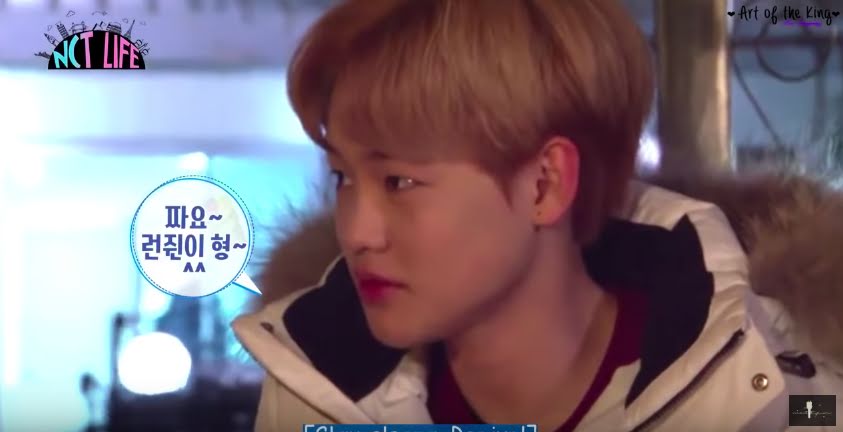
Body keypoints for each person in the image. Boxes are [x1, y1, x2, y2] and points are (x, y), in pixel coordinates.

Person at [232, 0, 843, 430]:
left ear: (545, 184)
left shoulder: (778, 395)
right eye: (342, 177)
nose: (358, 232)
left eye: (400, 181)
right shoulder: (314, 389)